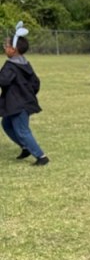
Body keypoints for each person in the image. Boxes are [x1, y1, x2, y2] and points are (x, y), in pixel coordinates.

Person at [1, 22, 49, 166]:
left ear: (13, 49)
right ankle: (25, 147)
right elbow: (36, 83)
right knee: (7, 124)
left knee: (22, 130)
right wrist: (28, 95)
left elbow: (3, 80)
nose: (5, 48)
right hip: (23, 102)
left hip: (18, 104)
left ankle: (41, 156)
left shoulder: (11, 66)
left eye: (6, 46)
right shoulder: (25, 64)